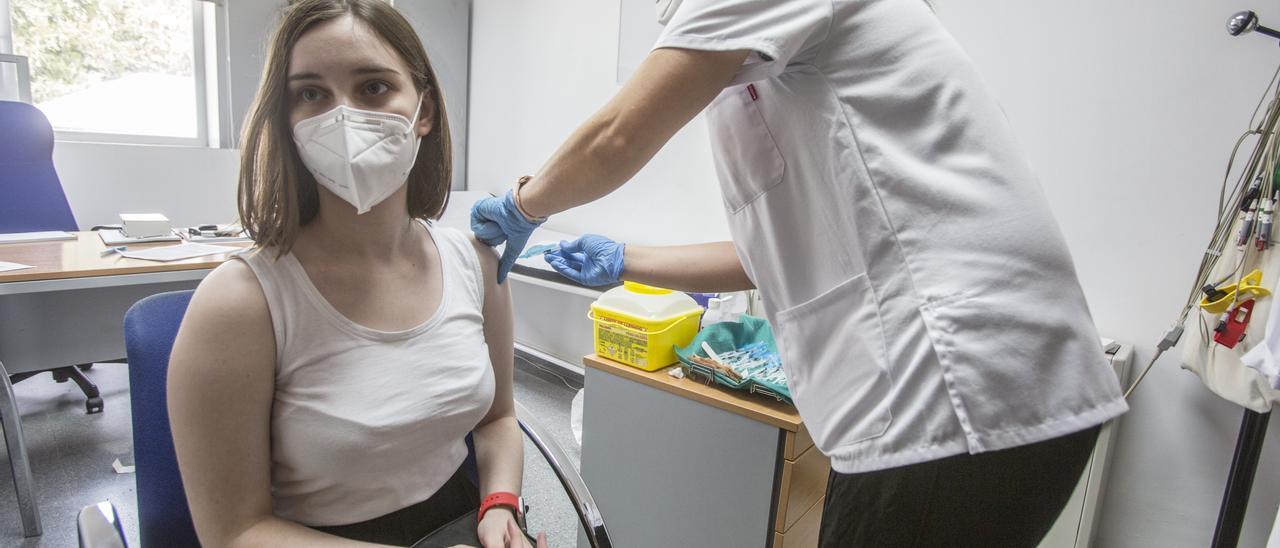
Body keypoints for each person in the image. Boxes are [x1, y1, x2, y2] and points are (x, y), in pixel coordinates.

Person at [470, 0, 1128, 545]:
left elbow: (619, 136)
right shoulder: (774, 61)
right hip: (974, 394)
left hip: (956, 388)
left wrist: (526, 202)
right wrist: (623, 263)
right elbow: (770, 251)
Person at [168, 1, 543, 546]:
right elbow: (235, 532)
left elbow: (497, 420)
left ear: (425, 112)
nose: (342, 117)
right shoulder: (242, 302)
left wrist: (499, 504)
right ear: (288, 121)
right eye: (311, 94)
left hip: (460, 523)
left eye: (372, 87)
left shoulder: (476, 264)